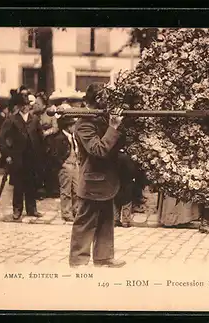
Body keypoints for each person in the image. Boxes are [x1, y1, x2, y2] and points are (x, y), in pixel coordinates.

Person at [69, 83, 127, 268]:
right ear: (98, 99)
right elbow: (98, 150)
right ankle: (78, 261)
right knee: (85, 222)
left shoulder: (100, 119)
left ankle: (103, 257)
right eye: (106, 98)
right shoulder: (84, 124)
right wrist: (113, 127)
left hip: (106, 180)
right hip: (92, 181)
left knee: (106, 220)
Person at [0, 88, 44, 220]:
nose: (25, 108)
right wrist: (7, 154)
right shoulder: (12, 120)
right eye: (22, 105)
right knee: (18, 185)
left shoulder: (34, 119)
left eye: (27, 105)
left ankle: (32, 209)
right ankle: (17, 210)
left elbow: (41, 137)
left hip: (32, 157)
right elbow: (0, 137)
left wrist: (40, 154)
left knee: (31, 184)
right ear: (18, 106)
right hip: (17, 158)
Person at [49, 116, 79, 222]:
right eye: (73, 125)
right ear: (68, 127)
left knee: (76, 190)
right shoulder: (59, 138)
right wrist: (62, 164)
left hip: (74, 164)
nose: (74, 127)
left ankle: (76, 210)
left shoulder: (73, 136)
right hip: (66, 165)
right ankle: (66, 213)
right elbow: (54, 154)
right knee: (66, 191)